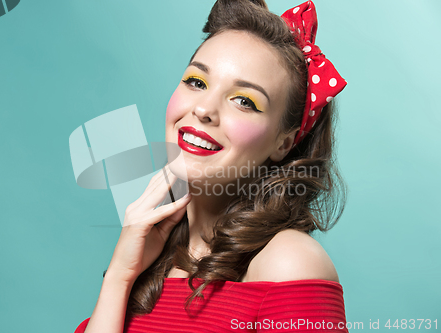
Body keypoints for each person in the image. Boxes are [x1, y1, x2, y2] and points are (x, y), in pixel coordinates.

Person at [75, 0, 349, 332]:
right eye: (197, 82)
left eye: (244, 101)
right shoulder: (149, 262)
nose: (205, 108)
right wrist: (119, 275)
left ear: (284, 144)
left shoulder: (289, 264)